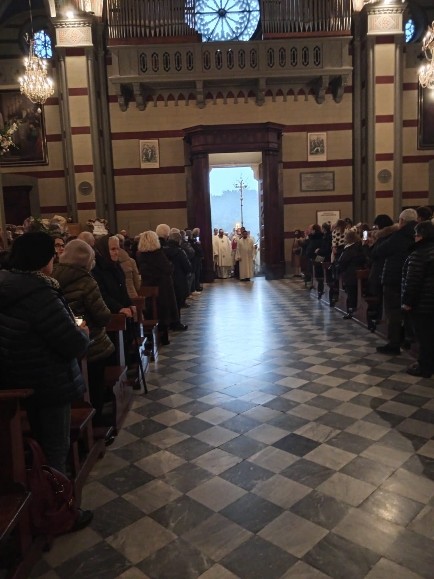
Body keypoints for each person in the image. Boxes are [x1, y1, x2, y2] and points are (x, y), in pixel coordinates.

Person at [52, 239, 115, 425]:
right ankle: (96, 423)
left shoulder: (52, 277)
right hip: (91, 343)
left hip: (63, 343)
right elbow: (103, 316)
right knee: (94, 385)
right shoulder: (86, 281)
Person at [372, 208, 418, 354]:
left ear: (402, 221)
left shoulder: (398, 236)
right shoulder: (419, 235)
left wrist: (382, 236)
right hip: (413, 279)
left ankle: (394, 344)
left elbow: (377, 252)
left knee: (394, 312)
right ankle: (408, 340)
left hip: (394, 278)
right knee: (409, 311)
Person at [137, 231, 186, 344]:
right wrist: (171, 265)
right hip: (163, 288)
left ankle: (151, 337)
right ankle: (164, 338)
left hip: (148, 286)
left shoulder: (140, 255)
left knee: (151, 311)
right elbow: (167, 269)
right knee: (163, 314)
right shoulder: (158, 254)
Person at [402, 220, 434, 377]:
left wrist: (407, 302)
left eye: (416, 235)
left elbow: (413, 280)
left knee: (424, 336)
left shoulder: (419, 253)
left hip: (423, 302)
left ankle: (425, 367)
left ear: (421, 236)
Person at [336, 229, 366, 319]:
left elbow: (343, 261)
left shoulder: (350, 249)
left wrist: (339, 268)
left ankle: (351, 311)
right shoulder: (359, 246)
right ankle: (353, 310)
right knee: (354, 293)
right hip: (357, 273)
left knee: (351, 294)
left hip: (351, 274)